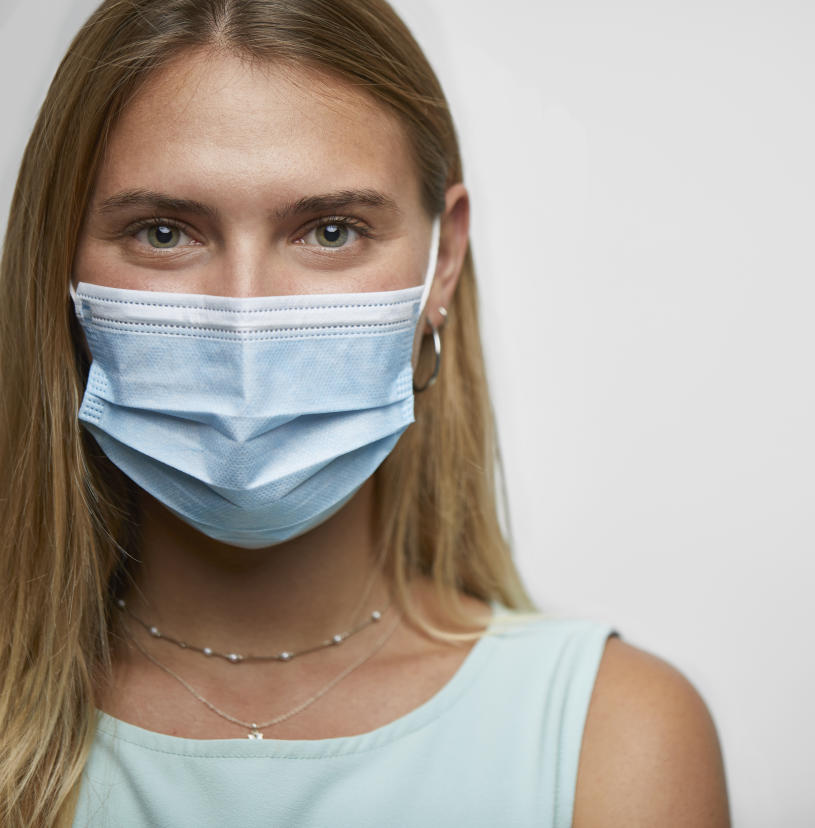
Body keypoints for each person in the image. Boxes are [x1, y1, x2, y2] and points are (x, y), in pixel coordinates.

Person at [0, 1, 730, 825]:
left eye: (332, 231)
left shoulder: (615, 736)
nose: (247, 316)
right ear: (57, 258)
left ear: (442, 262)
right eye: (164, 232)